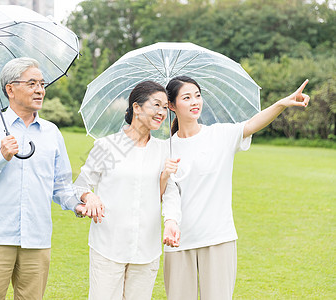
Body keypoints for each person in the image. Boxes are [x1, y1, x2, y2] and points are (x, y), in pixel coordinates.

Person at [0, 57, 103, 300]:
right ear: (10, 89)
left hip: (37, 238)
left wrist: (77, 204)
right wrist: (0, 156)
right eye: (32, 83)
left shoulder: (51, 132)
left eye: (42, 84)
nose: (40, 90)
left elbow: (60, 185)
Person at [163, 75, 310, 300]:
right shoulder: (166, 149)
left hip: (218, 238)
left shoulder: (220, 135)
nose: (195, 102)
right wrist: (170, 222)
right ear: (171, 105)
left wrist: (282, 103)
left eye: (198, 96)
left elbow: (252, 124)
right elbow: (169, 195)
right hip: (179, 241)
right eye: (187, 97)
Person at [74, 80, 182, 300]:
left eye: (165, 107)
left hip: (146, 248)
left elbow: (169, 192)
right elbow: (80, 185)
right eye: (156, 105)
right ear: (136, 107)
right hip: (108, 245)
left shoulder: (164, 150)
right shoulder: (107, 146)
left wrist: (171, 220)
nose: (162, 112)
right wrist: (89, 196)